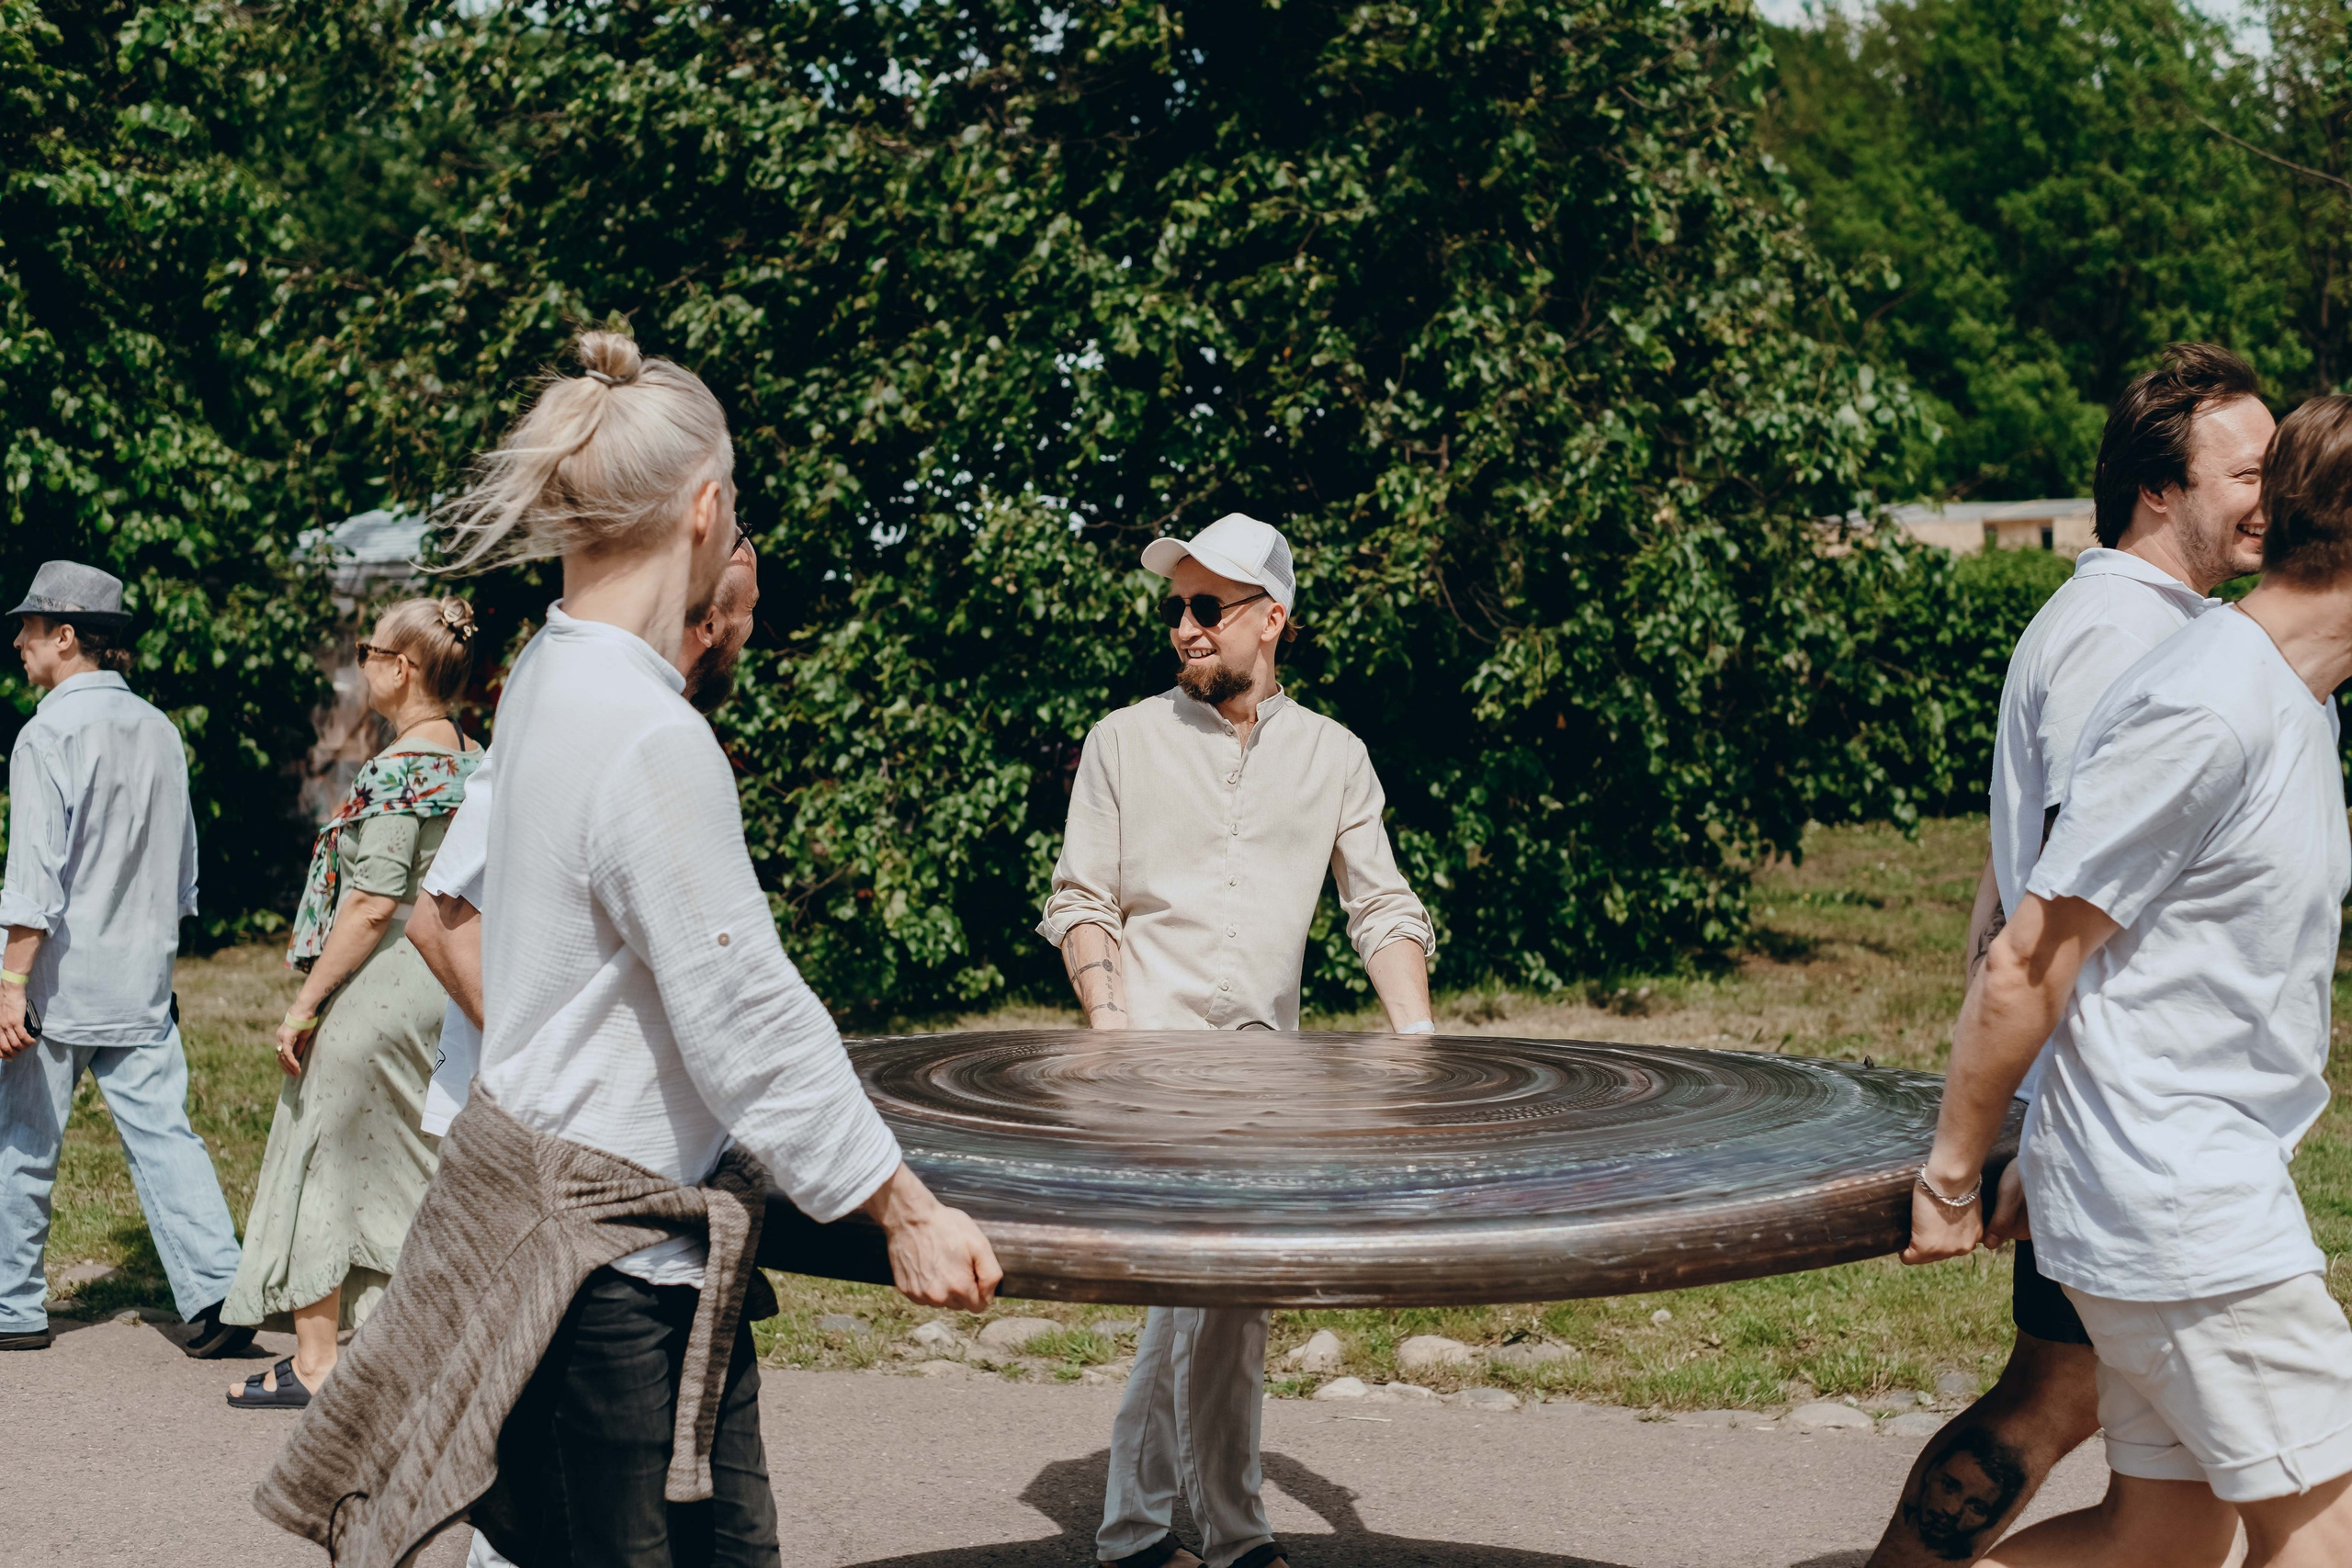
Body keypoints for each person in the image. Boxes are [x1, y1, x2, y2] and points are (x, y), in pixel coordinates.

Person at [255, 332, 999, 1568]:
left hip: (600, 1253)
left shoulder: (550, 671)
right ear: (706, 509)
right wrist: (904, 1206)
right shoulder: (650, 733)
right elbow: (745, 1006)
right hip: (604, 1281)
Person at [1905, 395, 2352, 1567]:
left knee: (2153, 1542)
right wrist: (1959, 1173)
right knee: (2329, 1537)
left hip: (2181, 1182)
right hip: (2181, 1203)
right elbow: (2028, 951)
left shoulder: (2288, 697)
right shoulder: (2206, 700)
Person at [1039, 512, 1438, 1568]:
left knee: (1229, 1302)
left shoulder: (1334, 756)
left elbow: (1382, 908)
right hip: (1151, 1068)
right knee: (1204, 1291)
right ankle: (1190, 1532)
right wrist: (1111, 1030)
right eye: (1177, 607)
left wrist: (1419, 1036)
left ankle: (1189, 1530)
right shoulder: (1124, 742)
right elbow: (1080, 899)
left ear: (1272, 621)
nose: (1185, 627)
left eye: (1208, 607)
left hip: (1270, 1079)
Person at [409, 532, 760, 1142]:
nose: (753, 630)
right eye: (750, 610)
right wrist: (553, 1090)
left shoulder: (649, 722)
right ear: (710, 624)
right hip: (534, 1148)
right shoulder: (583, 707)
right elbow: (440, 918)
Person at [221, 596, 483, 1407]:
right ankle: (427, 1344)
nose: (360, 662)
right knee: (415, 1160)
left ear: (401, 668)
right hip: (446, 981)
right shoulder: (475, 757)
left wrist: (305, 1004)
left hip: (389, 980)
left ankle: (315, 1362)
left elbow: (373, 901)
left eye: (369, 650)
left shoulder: (400, 768)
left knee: (324, 1148)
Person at [0, 561, 249, 1358]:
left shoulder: (47, 733)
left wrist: (10, 981)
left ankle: (13, 1305)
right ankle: (217, 1290)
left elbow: (33, 877)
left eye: (31, 627)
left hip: (58, 981)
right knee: (166, 1136)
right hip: (142, 978)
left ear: (66, 636)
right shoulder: (161, 731)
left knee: (24, 1138)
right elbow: (183, 871)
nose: (19, 640)